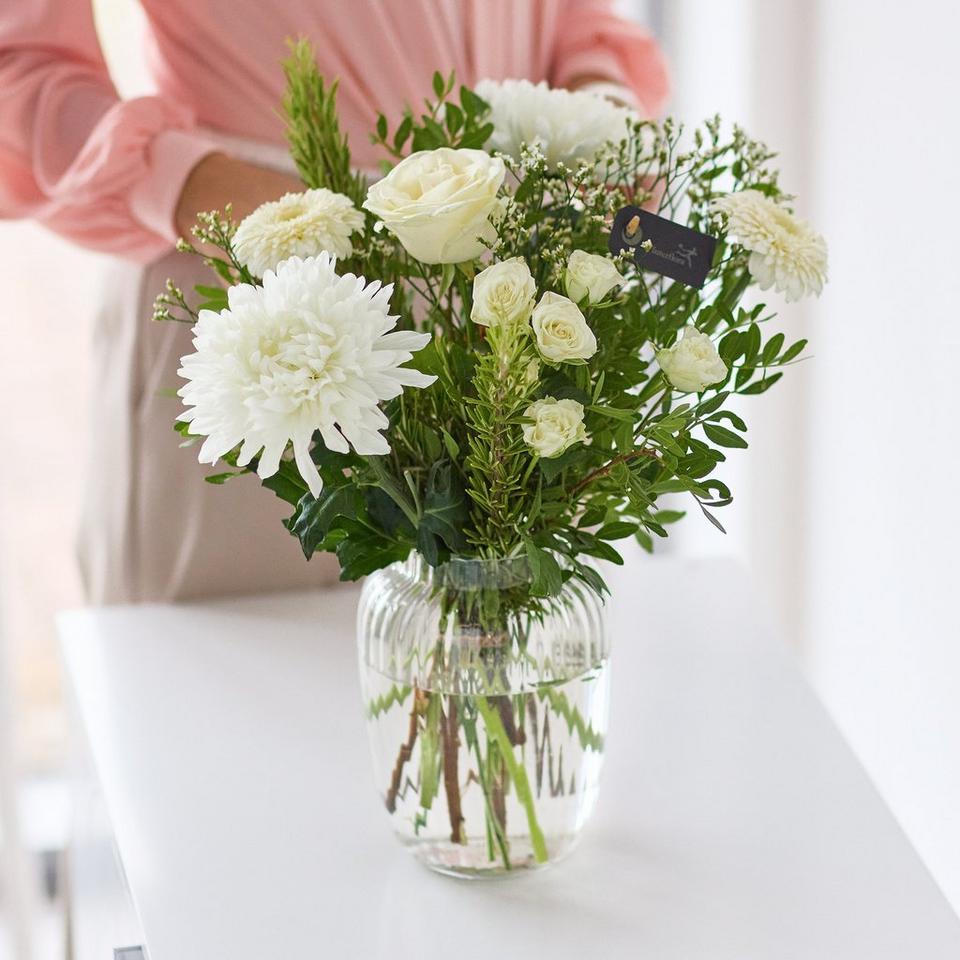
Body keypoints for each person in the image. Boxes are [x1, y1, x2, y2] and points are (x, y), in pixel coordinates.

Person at [0, 1, 668, 604]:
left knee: (508, 681)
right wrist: (185, 180)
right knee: (227, 695)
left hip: (509, 302)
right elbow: (18, 61)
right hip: (263, 299)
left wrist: (598, 108)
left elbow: (573, 18)